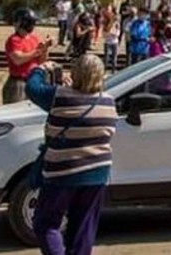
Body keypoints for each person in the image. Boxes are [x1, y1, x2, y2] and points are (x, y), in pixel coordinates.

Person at [27, 54, 117, 255]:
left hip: (63, 171)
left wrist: (40, 68)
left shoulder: (60, 96)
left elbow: (32, 89)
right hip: (98, 171)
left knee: (45, 223)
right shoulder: (108, 101)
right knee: (83, 227)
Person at [4, 10, 49, 104]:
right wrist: (36, 52)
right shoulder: (14, 40)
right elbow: (18, 59)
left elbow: (41, 61)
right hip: (19, 83)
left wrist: (45, 49)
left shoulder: (34, 38)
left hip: (33, 80)